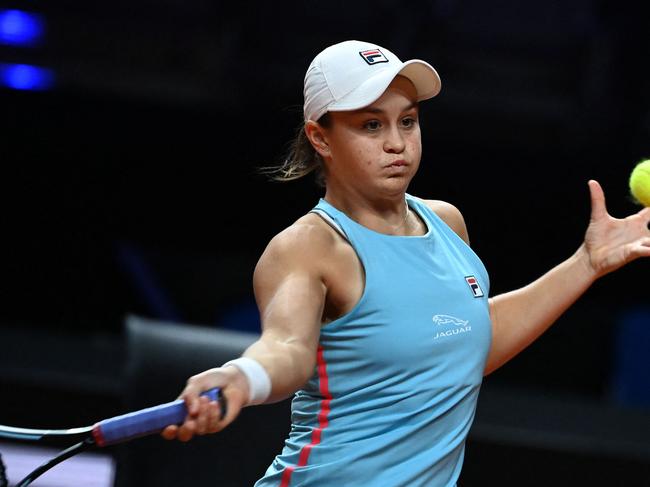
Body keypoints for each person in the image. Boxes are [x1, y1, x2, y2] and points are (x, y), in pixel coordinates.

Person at [161, 39, 650, 486]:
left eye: (408, 120)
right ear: (321, 138)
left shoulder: (447, 223)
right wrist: (244, 377)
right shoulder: (307, 247)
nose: (397, 142)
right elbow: (287, 349)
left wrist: (587, 263)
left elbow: (464, 343)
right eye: (371, 124)